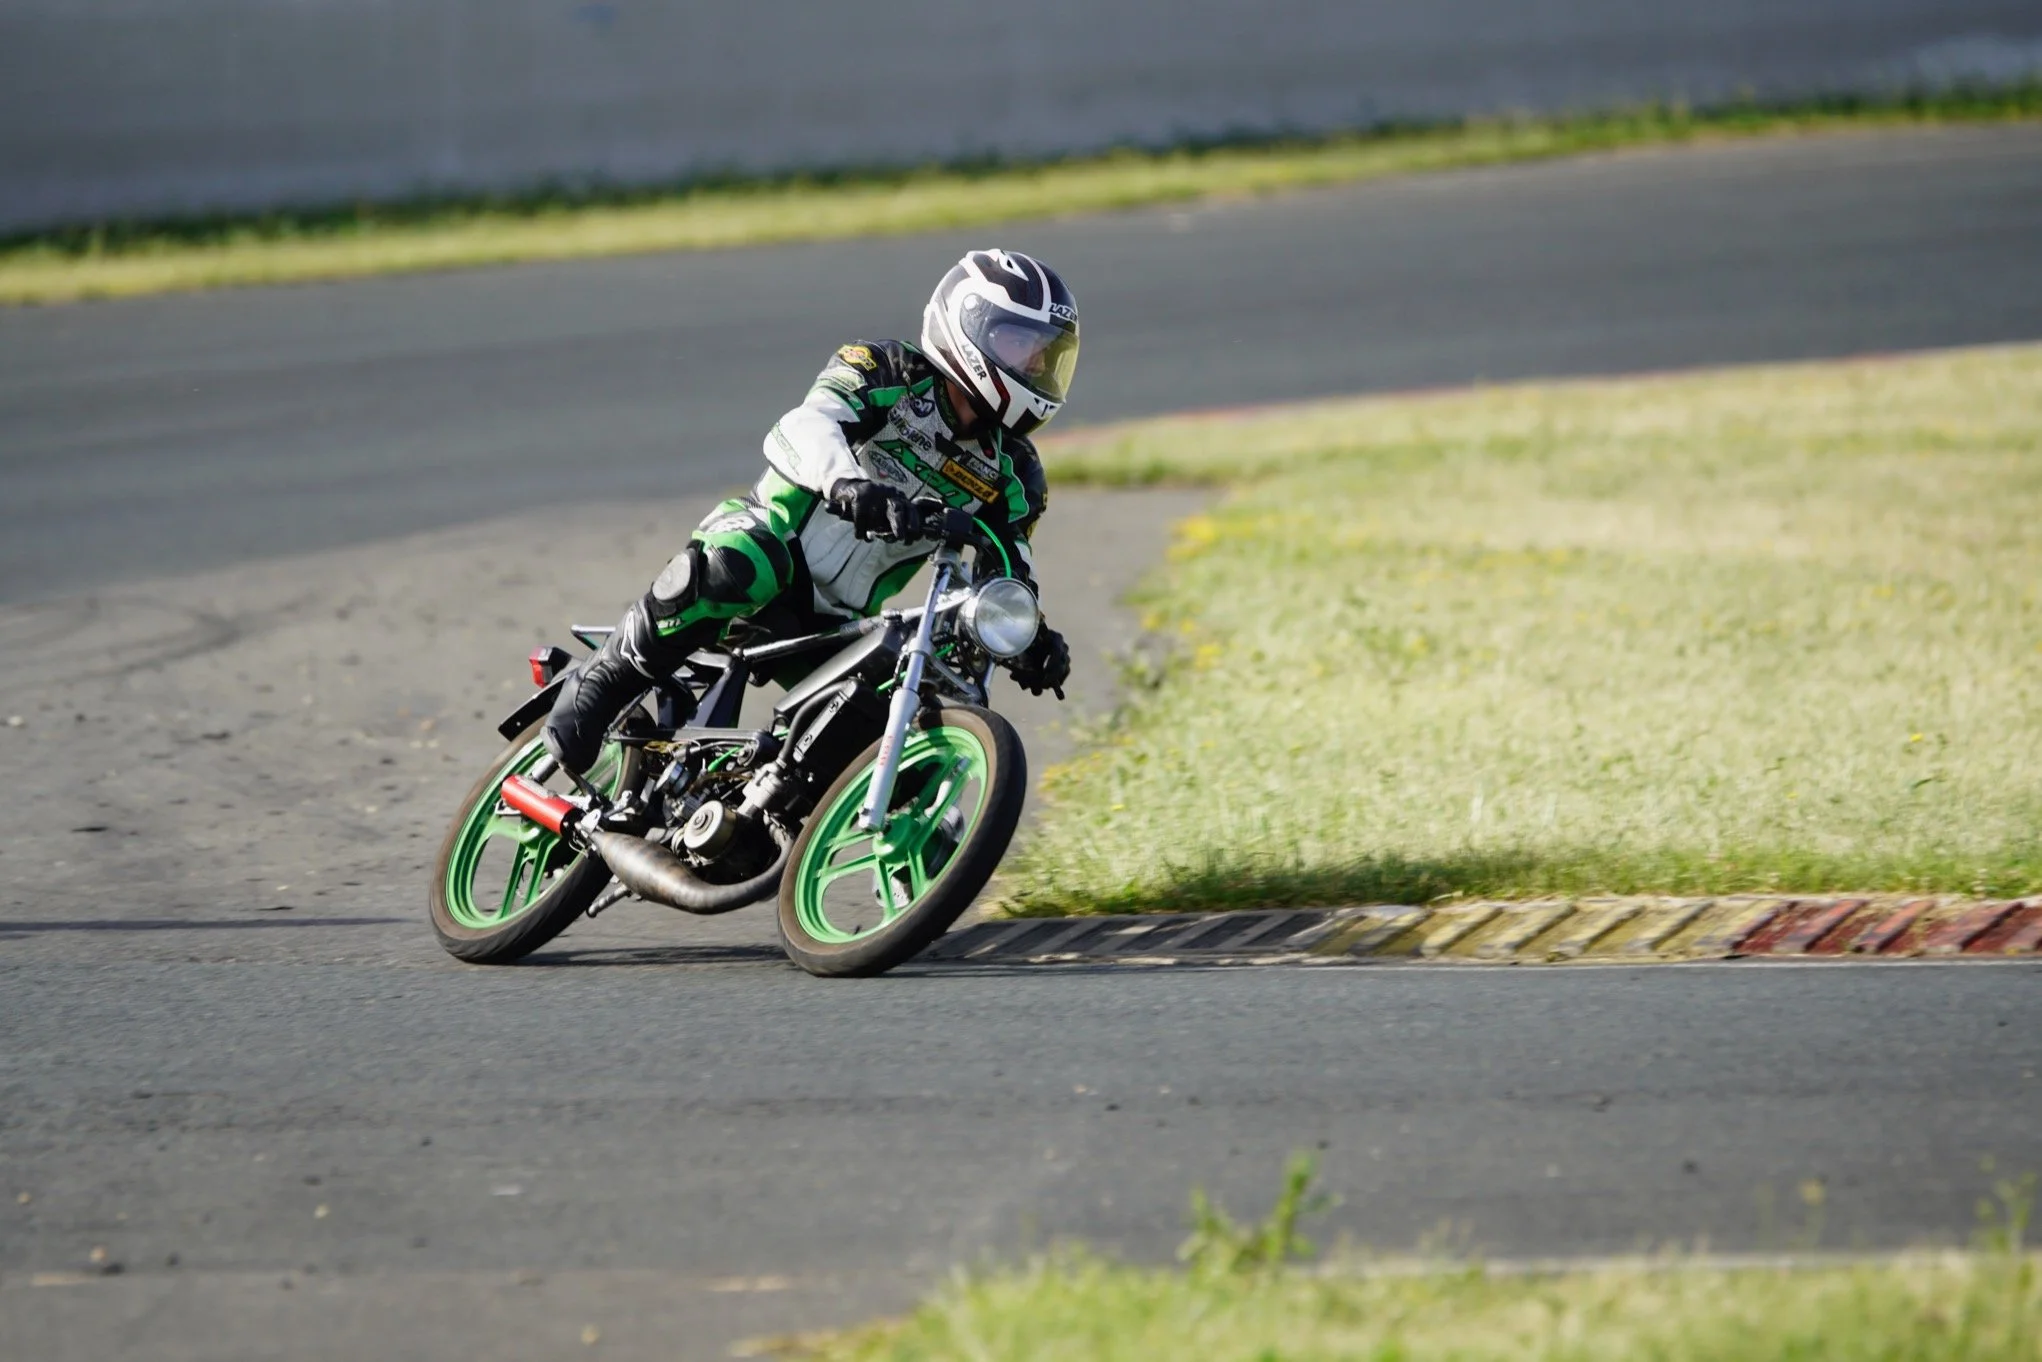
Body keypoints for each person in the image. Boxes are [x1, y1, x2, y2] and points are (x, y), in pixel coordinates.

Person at [544, 248, 1079, 775]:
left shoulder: (1016, 474)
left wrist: (1028, 635)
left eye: (1044, 355)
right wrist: (847, 484)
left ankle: (772, 805)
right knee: (746, 560)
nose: (1035, 366)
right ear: (968, 326)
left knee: (893, 729)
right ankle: (605, 678)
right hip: (766, 544)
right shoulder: (885, 368)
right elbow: (806, 424)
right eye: (1020, 344)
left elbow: (1009, 571)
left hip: (839, 623)